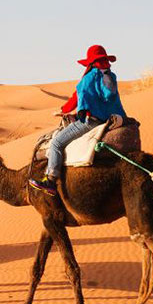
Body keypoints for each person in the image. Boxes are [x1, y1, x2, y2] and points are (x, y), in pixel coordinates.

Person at [29, 44, 126, 197]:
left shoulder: (90, 77)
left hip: (92, 121)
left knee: (56, 143)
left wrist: (66, 110)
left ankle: (51, 180)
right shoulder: (110, 76)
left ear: (91, 62)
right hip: (109, 119)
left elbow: (78, 97)